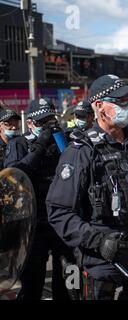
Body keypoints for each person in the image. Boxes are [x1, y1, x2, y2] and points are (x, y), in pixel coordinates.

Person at [46, 75, 128, 300]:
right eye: (119, 101)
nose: (127, 105)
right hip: (103, 259)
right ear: (99, 106)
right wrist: (97, 241)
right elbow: (59, 211)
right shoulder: (81, 152)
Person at [4, 98, 73, 300]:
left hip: (60, 219)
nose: (48, 127)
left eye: (51, 121)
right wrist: (40, 144)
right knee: (33, 282)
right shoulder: (19, 144)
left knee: (67, 281)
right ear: (30, 123)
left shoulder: (60, 141)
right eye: (43, 122)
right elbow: (16, 175)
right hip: (33, 224)